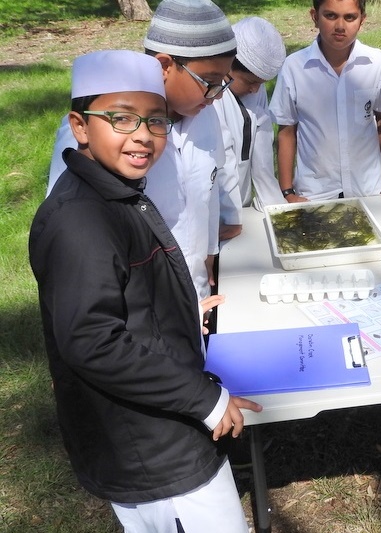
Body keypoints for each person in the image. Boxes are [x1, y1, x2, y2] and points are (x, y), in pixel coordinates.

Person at [29, 49, 262, 533]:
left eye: (155, 122)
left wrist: (183, 309)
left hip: (163, 423)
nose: (142, 135)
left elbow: (126, 298)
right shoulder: (80, 220)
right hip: (151, 449)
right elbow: (93, 339)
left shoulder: (117, 190)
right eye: (120, 118)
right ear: (79, 125)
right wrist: (206, 401)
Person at [47, 0, 238, 304]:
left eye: (223, 84)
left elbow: (210, 190)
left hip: (196, 295)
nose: (216, 96)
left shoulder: (206, 115)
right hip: (136, 308)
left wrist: (210, 253)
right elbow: (68, 228)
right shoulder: (95, 135)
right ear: (164, 66)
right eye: (210, 83)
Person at [269, 0, 381, 203]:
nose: (340, 26)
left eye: (350, 17)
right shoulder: (294, 67)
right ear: (315, 16)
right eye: (330, 16)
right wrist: (287, 191)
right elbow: (287, 131)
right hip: (315, 192)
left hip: (369, 188)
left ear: (362, 20)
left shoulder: (376, 63)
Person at [214, 16, 287, 242]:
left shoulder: (256, 90)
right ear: (227, 66)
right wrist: (231, 217)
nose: (256, 90)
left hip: (241, 206)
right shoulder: (213, 97)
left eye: (261, 83)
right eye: (249, 82)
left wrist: (275, 209)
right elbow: (223, 161)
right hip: (213, 209)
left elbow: (263, 151)